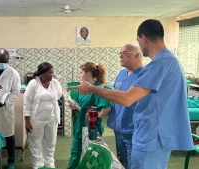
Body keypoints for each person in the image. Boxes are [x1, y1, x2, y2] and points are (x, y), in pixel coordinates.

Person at [69, 19, 194, 169]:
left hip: (152, 136)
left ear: (143, 38)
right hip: (150, 134)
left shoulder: (159, 65)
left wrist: (92, 88)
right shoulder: (170, 62)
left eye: (138, 42)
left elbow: (127, 98)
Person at [67, 62, 111, 169]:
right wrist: (74, 106)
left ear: (89, 74)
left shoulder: (98, 89)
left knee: (91, 155)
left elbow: (106, 108)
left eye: (81, 73)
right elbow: (79, 106)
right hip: (79, 125)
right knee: (75, 154)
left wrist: (96, 117)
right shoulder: (81, 89)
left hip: (92, 128)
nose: (79, 75)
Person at [107, 44, 143, 169]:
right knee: (122, 161)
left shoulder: (144, 75)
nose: (121, 56)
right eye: (120, 53)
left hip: (133, 128)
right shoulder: (122, 74)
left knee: (133, 163)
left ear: (137, 55)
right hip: (118, 127)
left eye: (126, 53)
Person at [24, 62, 62, 169]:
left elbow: (58, 95)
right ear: (42, 73)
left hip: (52, 118)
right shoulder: (33, 83)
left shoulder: (55, 83)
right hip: (36, 119)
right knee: (36, 143)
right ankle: (38, 165)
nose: (51, 75)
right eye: (49, 73)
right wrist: (27, 121)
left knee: (50, 143)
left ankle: (49, 164)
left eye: (52, 73)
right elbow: (27, 103)